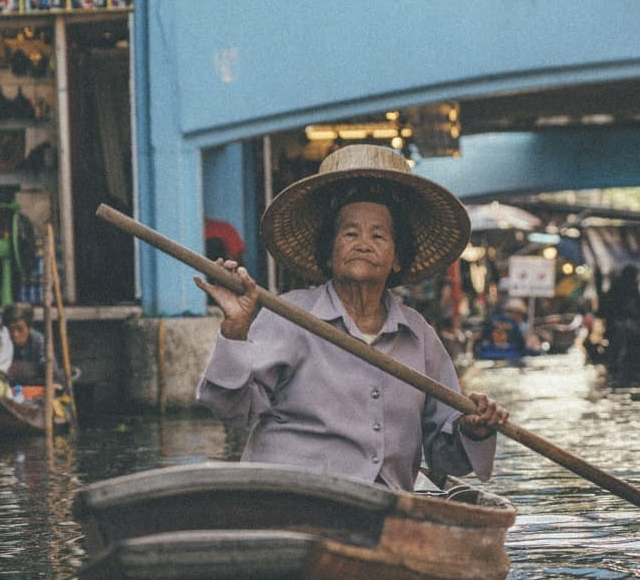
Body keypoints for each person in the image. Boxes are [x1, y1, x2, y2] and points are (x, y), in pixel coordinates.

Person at [196, 144, 508, 492]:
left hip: (387, 513)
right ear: (329, 253)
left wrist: (473, 429)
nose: (363, 243)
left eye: (378, 235)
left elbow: (446, 458)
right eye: (349, 233)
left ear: (397, 258)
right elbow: (232, 411)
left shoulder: (419, 336)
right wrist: (235, 330)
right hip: (290, 499)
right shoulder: (289, 316)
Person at [1, 302, 63, 386]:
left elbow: (55, 377)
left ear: (29, 327)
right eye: (10, 329)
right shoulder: (1, 342)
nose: (15, 334)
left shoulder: (39, 342)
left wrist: (28, 369)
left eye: (20, 329)